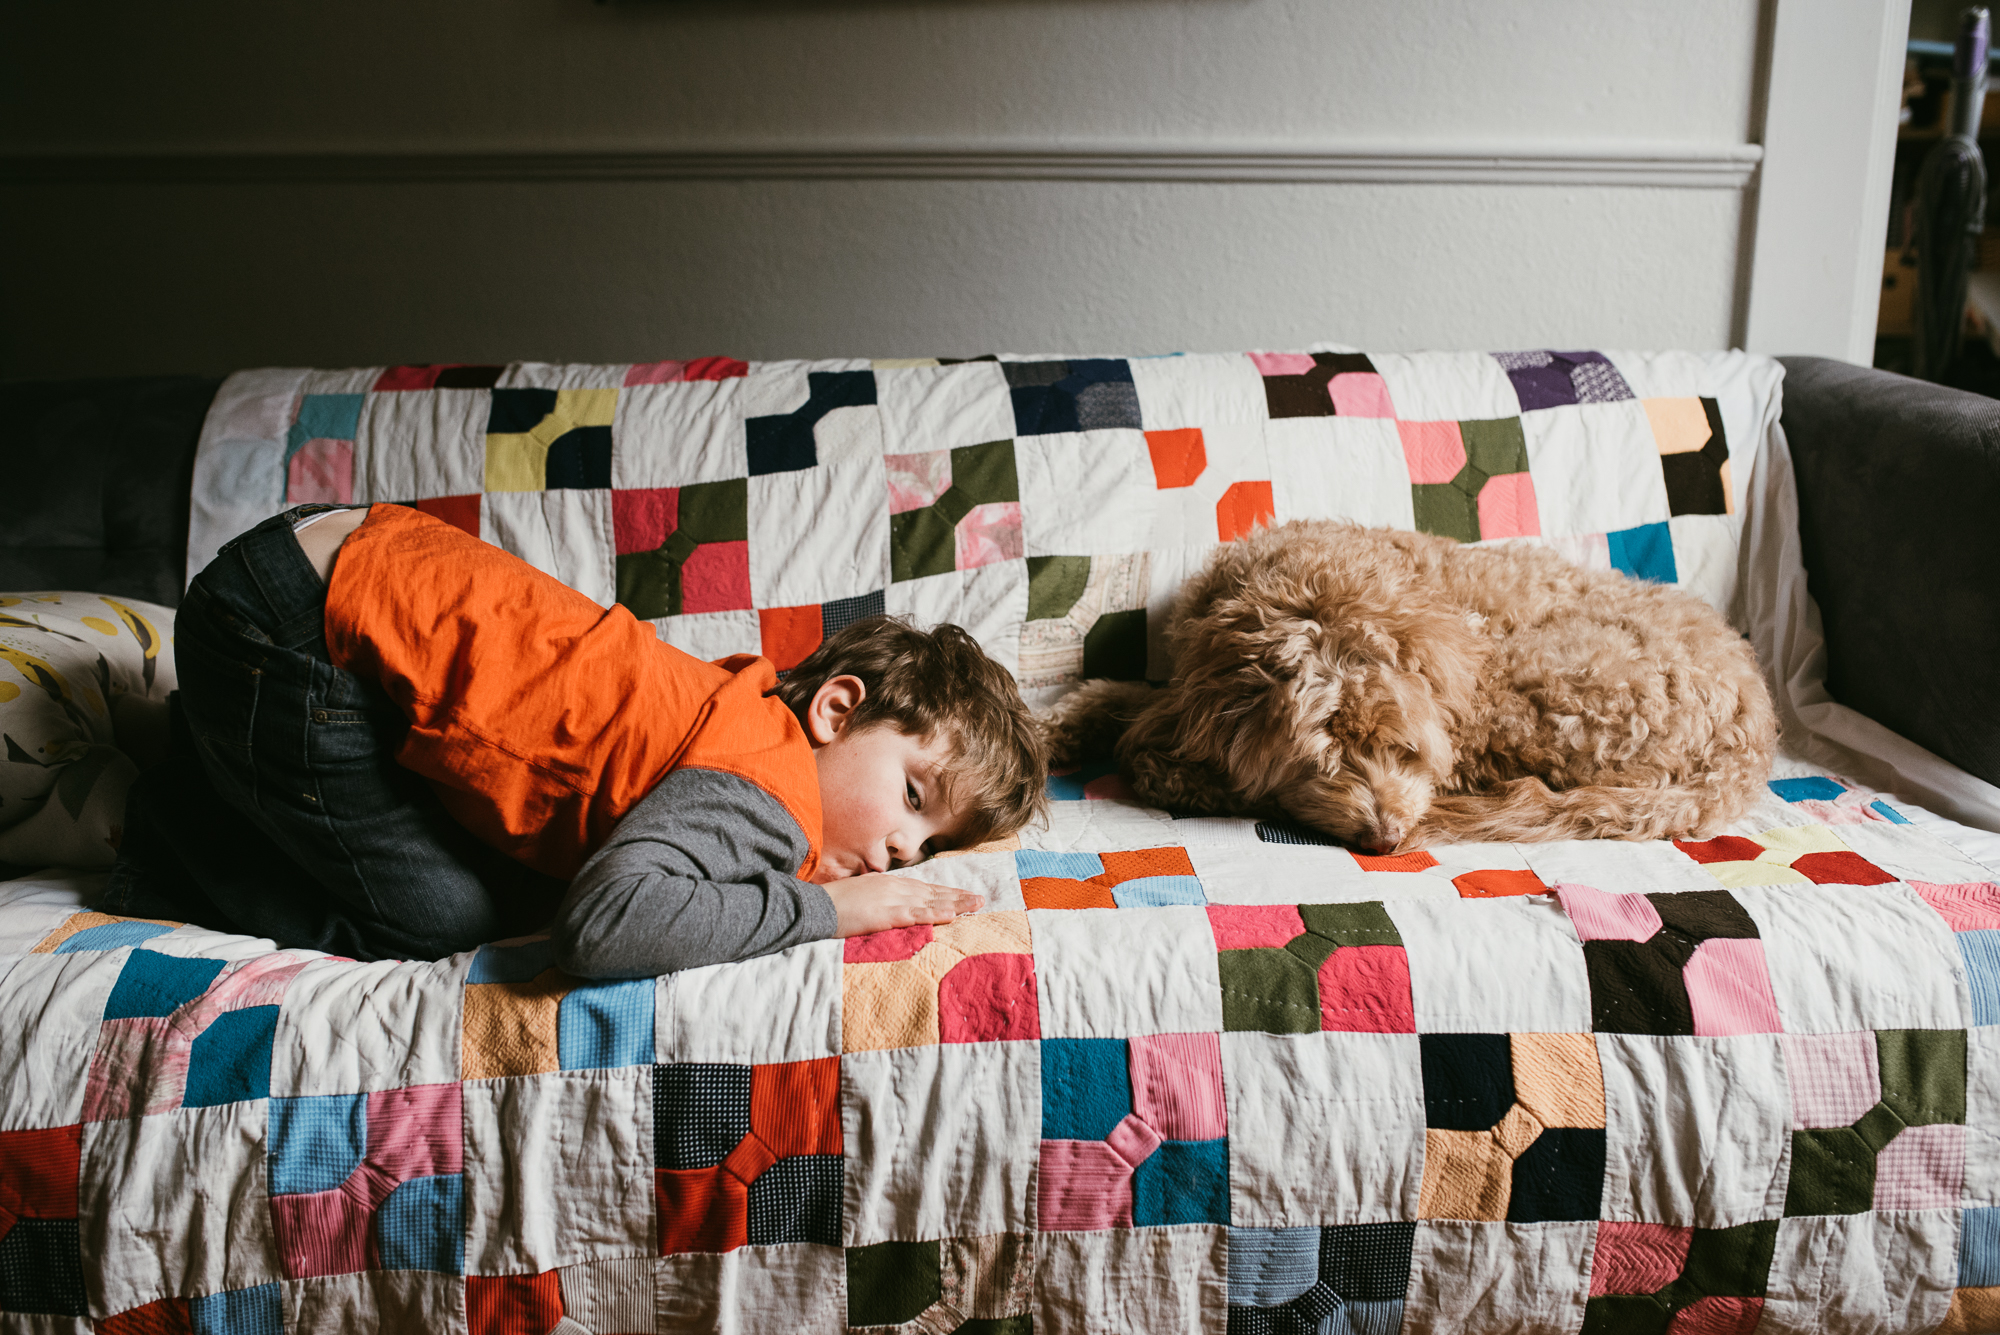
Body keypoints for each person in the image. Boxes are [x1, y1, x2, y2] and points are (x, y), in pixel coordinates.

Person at [107, 503, 1047, 976]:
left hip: (322, 570)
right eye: (915, 798)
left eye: (929, 845)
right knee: (454, 924)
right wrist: (829, 913)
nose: (901, 852)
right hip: (293, 629)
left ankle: (221, 753)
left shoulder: (739, 716)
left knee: (512, 879)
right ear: (835, 712)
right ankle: (172, 827)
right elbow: (605, 927)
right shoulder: (772, 792)